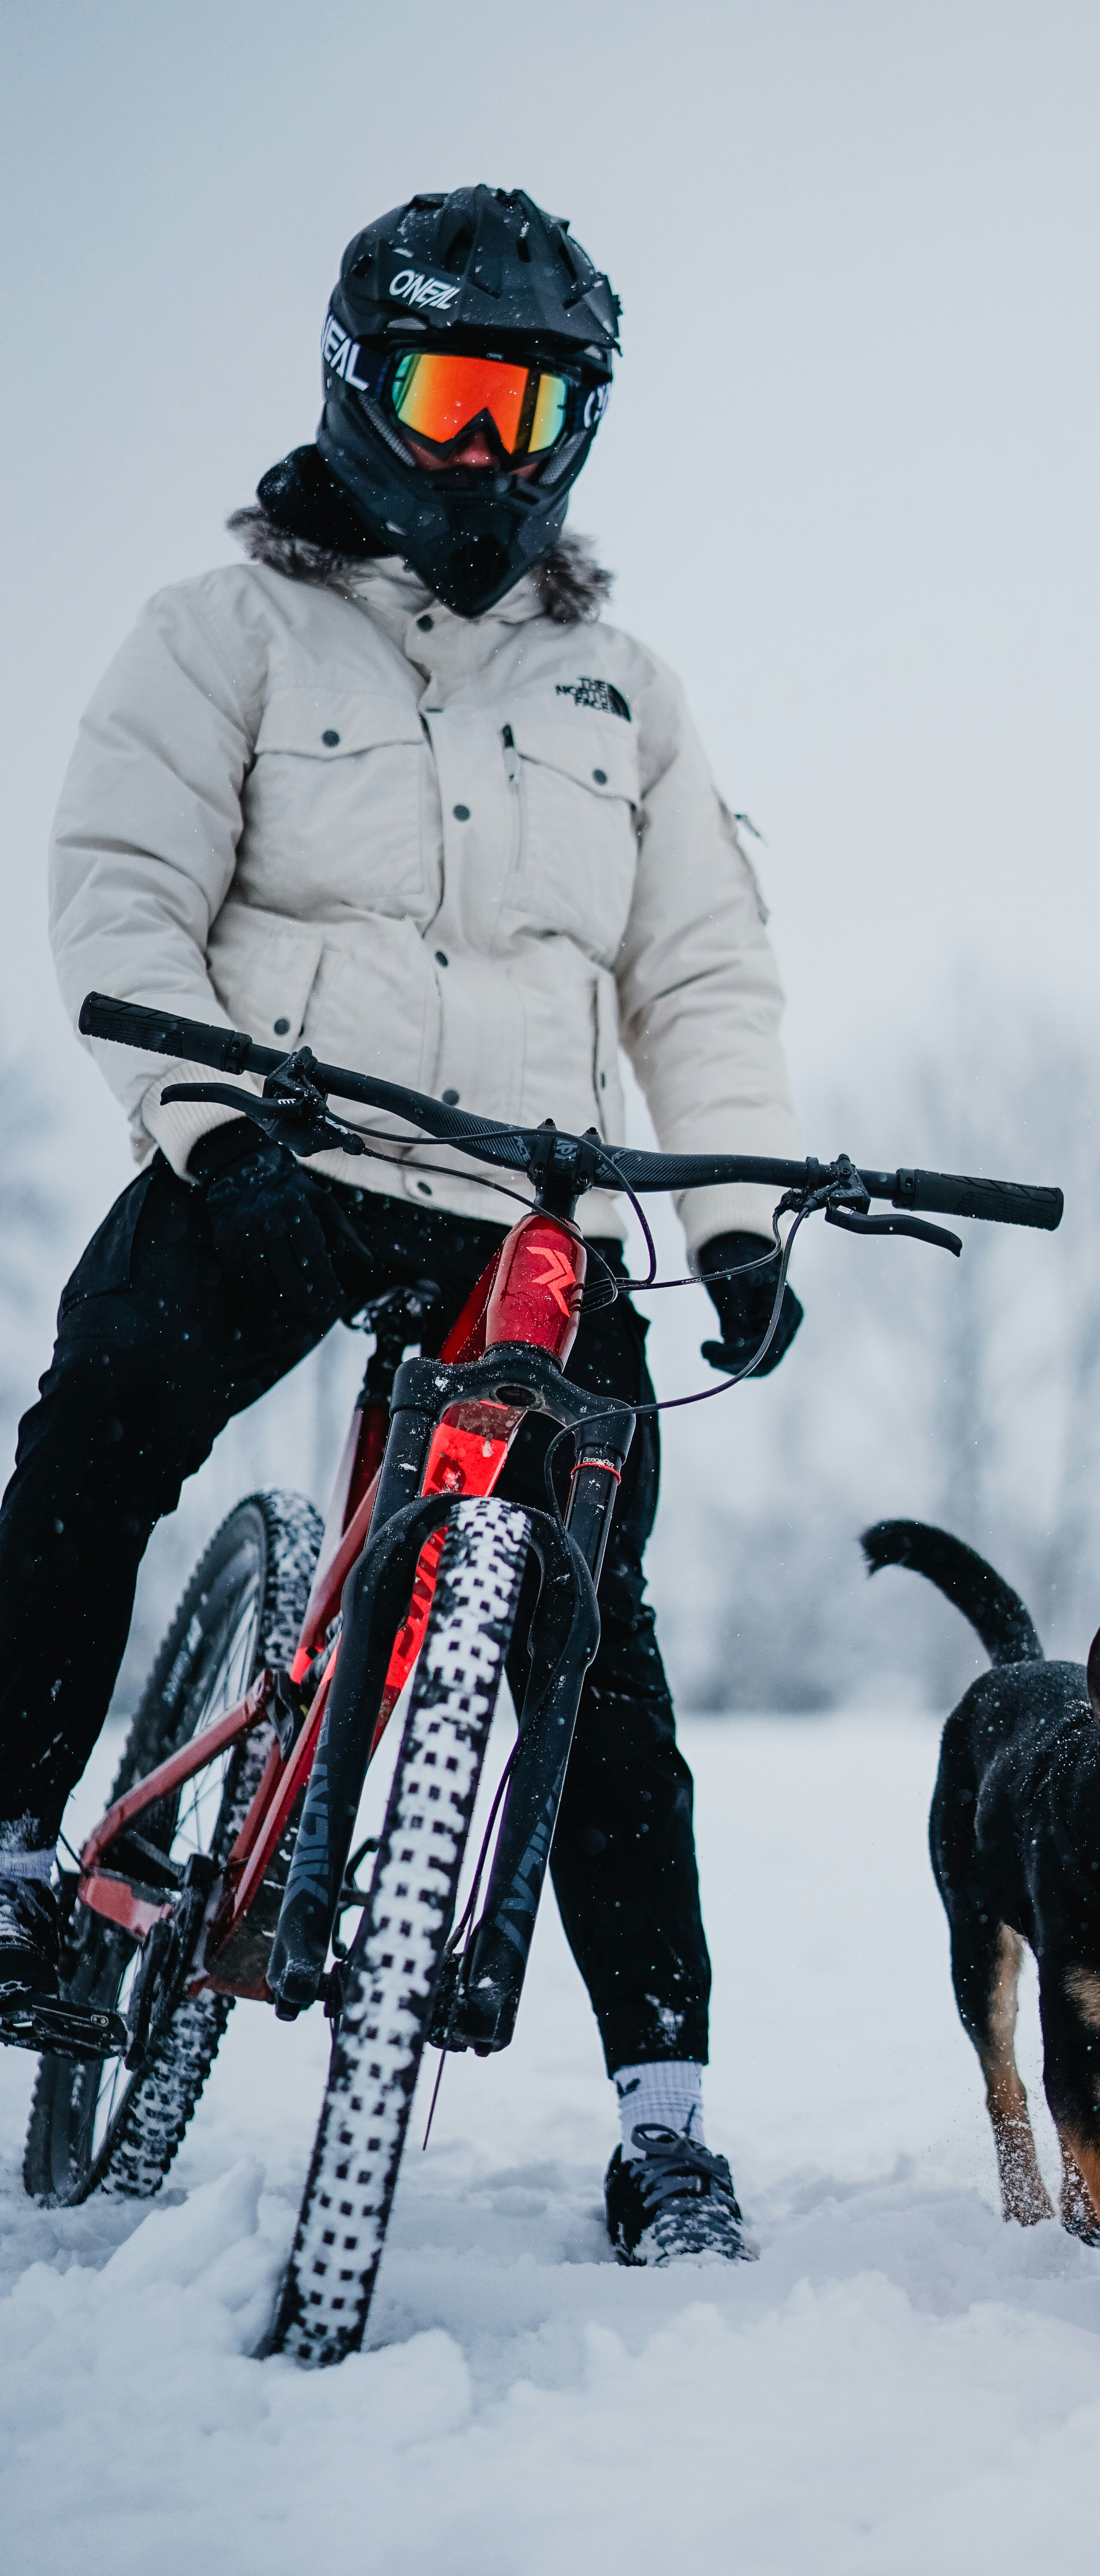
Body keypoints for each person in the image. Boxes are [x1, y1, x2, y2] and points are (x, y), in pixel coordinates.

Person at [0, 184, 803, 2264]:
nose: (489, 455)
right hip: (271, 1153)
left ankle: (668, 2118)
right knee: (95, 1441)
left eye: (536, 410)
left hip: (526, 1208)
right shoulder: (226, 633)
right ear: (364, 390)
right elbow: (120, 894)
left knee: (595, 1643)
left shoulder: (627, 689)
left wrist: (727, 1217)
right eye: (453, 397)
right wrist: (202, 1125)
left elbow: (699, 971)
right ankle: (12, 1843)